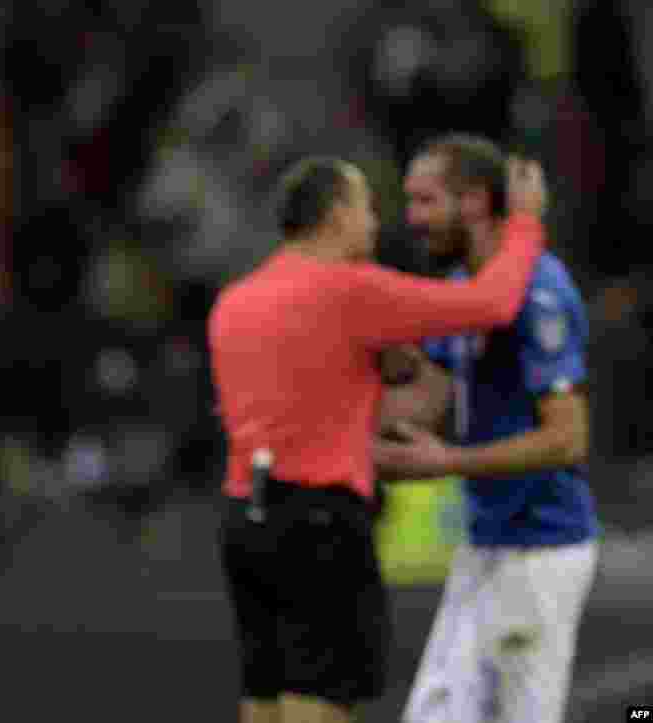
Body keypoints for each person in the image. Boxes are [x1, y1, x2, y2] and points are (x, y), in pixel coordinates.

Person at [208, 153, 548, 723]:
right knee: (321, 697)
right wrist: (525, 223)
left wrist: (371, 364)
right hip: (319, 519)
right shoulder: (352, 290)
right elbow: (492, 303)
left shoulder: (235, 302)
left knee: (264, 698)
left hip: (244, 517)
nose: (377, 219)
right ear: (336, 213)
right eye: (367, 205)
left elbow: (290, 388)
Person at [374, 134, 598, 723]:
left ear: (473, 202)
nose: (412, 220)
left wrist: (445, 463)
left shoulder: (541, 294)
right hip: (487, 543)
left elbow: (568, 439)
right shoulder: (464, 294)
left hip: (542, 550)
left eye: (424, 201)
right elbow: (429, 406)